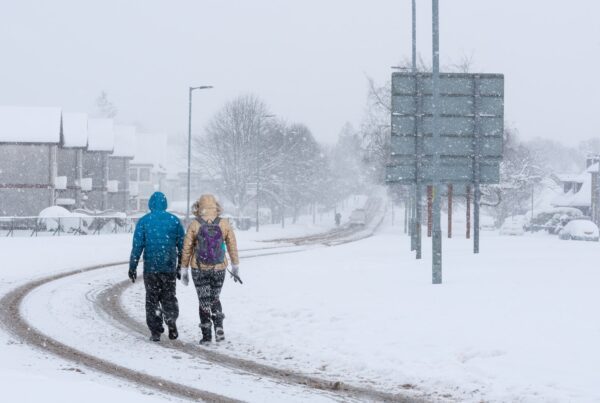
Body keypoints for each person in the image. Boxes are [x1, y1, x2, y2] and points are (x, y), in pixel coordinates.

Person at [180, 194, 240, 344]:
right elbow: (232, 245)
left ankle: (206, 336)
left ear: (199, 206)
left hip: (199, 268)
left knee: (204, 301)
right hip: (219, 268)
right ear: (216, 205)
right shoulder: (224, 223)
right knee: (215, 298)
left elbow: (186, 248)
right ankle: (219, 327)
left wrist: (184, 269)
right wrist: (235, 265)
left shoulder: (195, 224)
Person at [129, 192, 185, 342]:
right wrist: (180, 265)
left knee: (152, 299)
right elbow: (183, 246)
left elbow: (137, 246)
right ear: (165, 204)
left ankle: (155, 330)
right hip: (169, 267)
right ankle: (171, 319)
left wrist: (132, 266)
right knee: (169, 297)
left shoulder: (144, 221)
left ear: (150, 204)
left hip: (151, 268)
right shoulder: (174, 221)